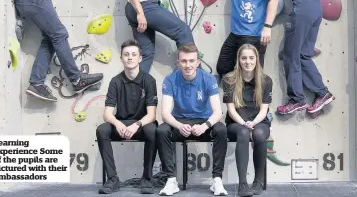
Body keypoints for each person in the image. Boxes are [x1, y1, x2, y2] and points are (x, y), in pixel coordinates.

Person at [157, 43, 228, 196]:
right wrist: (179, 125)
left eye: (191, 61)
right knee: (162, 130)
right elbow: (165, 114)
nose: (188, 65)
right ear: (178, 62)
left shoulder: (208, 79)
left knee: (221, 129)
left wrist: (205, 125)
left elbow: (218, 112)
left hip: (203, 122)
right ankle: (171, 180)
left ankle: (217, 180)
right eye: (184, 61)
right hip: (180, 121)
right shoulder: (169, 80)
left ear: (198, 62)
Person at [96, 39, 158, 194]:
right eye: (126, 54)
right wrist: (117, 124)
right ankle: (112, 179)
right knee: (102, 130)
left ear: (140, 58)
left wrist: (136, 125)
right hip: (122, 124)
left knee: (153, 130)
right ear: (121, 58)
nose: (130, 57)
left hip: (142, 124)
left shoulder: (149, 80)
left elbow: (151, 115)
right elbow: (107, 114)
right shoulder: (115, 81)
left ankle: (147, 178)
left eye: (133, 54)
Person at [222, 44, 272, 197]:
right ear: (239, 60)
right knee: (243, 132)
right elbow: (231, 110)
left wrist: (254, 123)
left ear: (256, 59)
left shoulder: (265, 80)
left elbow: (264, 110)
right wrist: (244, 123)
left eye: (251, 58)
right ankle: (242, 184)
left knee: (258, 135)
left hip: (259, 121)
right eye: (244, 58)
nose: (248, 62)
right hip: (236, 123)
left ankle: (258, 181)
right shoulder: (229, 80)